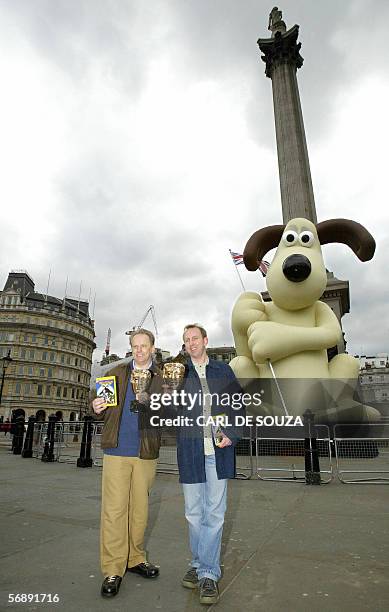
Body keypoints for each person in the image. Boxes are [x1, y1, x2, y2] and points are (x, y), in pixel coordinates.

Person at [91, 328, 162, 598]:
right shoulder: (116, 373)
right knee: (114, 511)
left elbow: (171, 411)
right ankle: (112, 568)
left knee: (140, 510)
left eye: (145, 346)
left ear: (153, 348)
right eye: (136, 346)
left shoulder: (162, 378)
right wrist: (95, 406)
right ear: (131, 347)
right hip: (117, 451)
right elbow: (98, 406)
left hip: (145, 452)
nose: (140, 350)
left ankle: (135, 558)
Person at [177, 324, 244, 605]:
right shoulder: (178, 372)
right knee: (194, 513)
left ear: (205, 341)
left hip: (217, 450)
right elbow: (168, 409)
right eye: (186, 340)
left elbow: (237, 404)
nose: (191, 343)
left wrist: (232, 433)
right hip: (191, 449)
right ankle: (198, 561)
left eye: (195, 338)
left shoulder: (223, 371)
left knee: (214, 513)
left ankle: (208, 573)